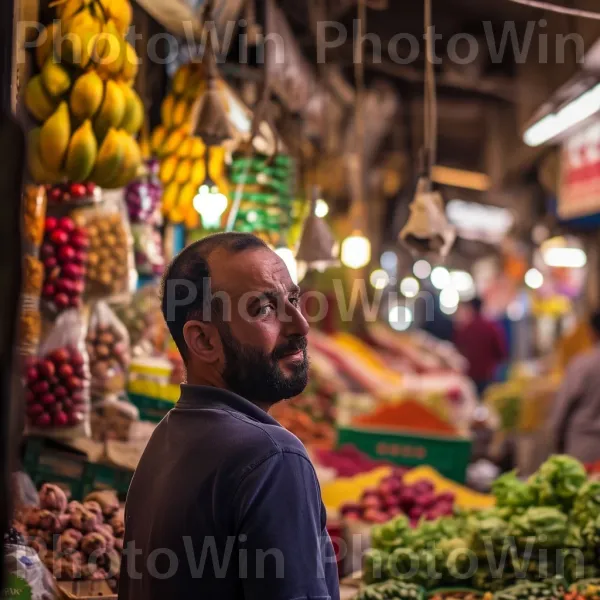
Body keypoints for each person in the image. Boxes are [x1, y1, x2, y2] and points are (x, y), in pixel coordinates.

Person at [118, 232, 339, 600]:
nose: (301, 325)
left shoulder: (166, 438)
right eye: (263, 309)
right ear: (204, 341)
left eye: (293, 299)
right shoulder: (273, 457)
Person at [548, 311, 600, 463]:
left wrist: (556, 442)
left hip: (585, 446)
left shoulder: (583, 364)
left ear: (592, 332)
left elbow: (562, 408)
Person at [453, 297, 507, 397]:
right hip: (487, 373)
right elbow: (500, 351)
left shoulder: (465, 328)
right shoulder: (491, 327)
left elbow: (458, 349)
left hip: (470, 373)